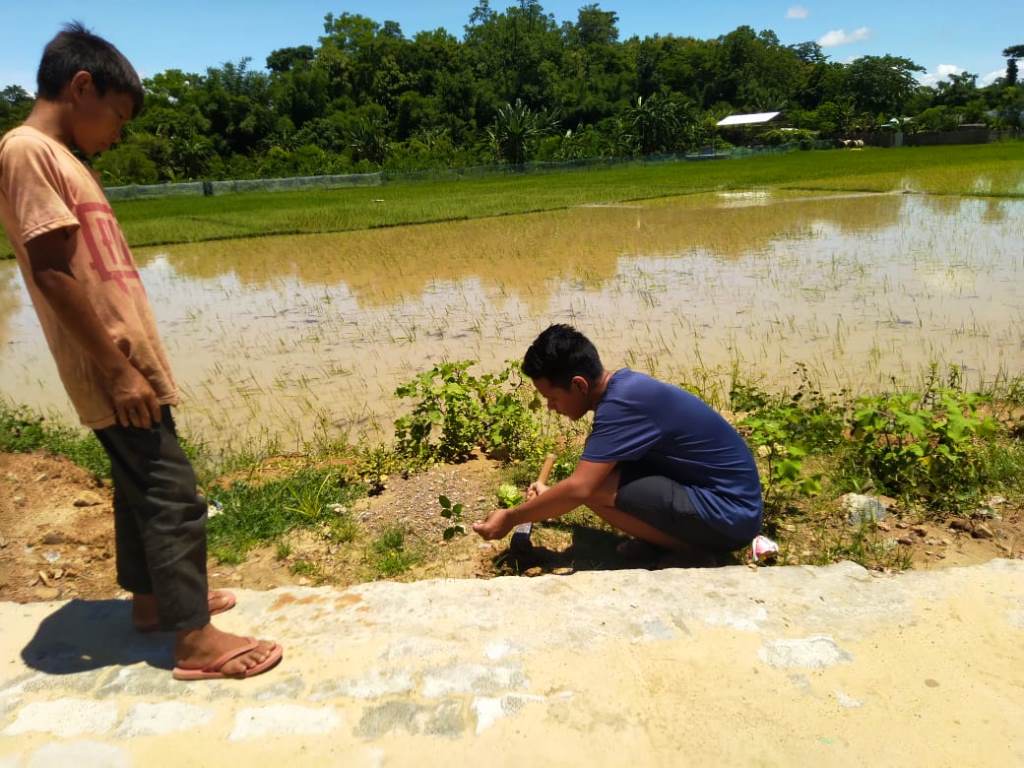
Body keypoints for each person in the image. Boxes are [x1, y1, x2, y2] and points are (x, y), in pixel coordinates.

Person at [0, 23, 281, 680]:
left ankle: (155, 605)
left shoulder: (61, 159)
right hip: (112, 365)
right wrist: (117, 369)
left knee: (138, 492)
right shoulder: (27, 151)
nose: (119, 134)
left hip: (127, 360)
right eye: (119, 117)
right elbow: (51, 271)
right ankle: (195, 640)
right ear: (82, 87)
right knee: (172, 495)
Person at [473, 324, 763, 562]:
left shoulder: (622, 405)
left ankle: (691, 551)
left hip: (730, 513)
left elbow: (581, 488)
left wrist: (510, 518)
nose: (550, 407)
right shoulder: (623, 388)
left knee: (594, 487)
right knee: (597, 479)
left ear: (579, 385)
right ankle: (668, 541)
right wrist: (551, 498)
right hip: (725, 505)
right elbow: (584, 481)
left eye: (552, 398)